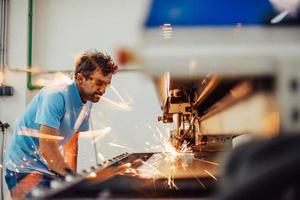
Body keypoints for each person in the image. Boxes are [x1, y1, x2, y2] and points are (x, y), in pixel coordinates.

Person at [4, 50, 118, 199]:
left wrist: (72, 180)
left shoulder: (87, 100)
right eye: (99, 83)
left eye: (106, 85)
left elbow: (71, 141)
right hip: (23, 169)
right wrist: (69, 176)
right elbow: (47, 146)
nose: (102, 90)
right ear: (80, 78)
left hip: (47, 167)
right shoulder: (56, 95)